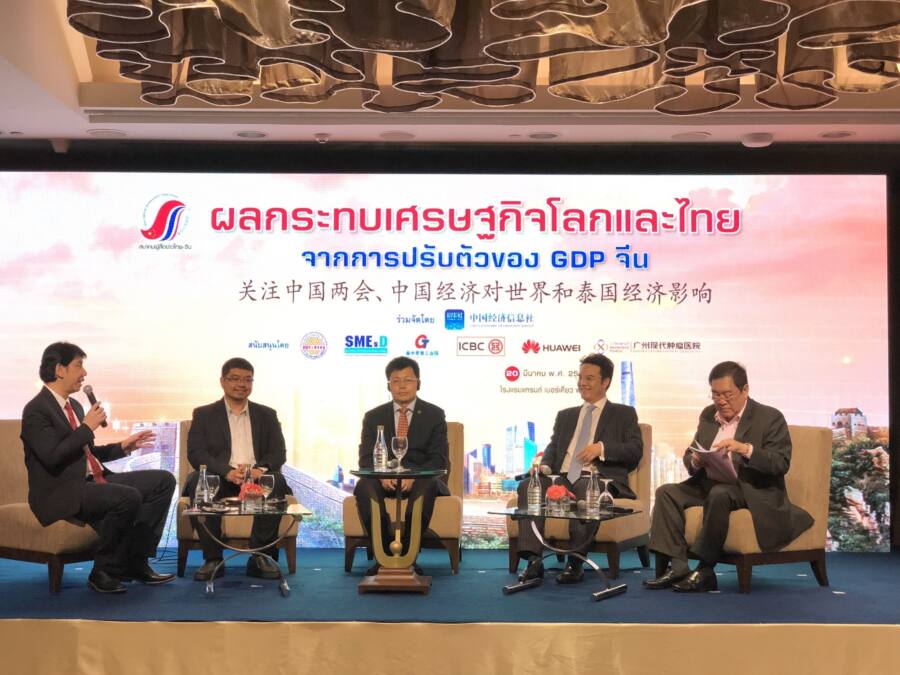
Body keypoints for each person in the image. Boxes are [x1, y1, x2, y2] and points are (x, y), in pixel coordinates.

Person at [21, 342, 176, 594]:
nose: (84, 373)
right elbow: (52, 457)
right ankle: (104, 571)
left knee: (163, 481)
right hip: (61, 490)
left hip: (92, 481)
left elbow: (86, 453)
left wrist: (122, 447)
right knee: (127, 496)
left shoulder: (74, 406)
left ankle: (135, 562)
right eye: (78, 366)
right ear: (59, 370)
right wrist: (86, 428)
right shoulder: (36, 410)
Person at [644, 361, 813, 592]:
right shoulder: (708, 415)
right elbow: (691, 452)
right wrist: (695, 460)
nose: (721, 401)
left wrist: (745, 450)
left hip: (751, 488)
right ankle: (678, 566)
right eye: (715, 394)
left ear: (745, 390)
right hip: (709, 482)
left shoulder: (769, 417)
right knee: (666, 492)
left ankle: (705, 570)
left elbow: (780, 462)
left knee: (720, 493)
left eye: (727, 394)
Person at [516, 353, 643, 584]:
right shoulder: (566, 415)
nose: (582, 383)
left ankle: (575, 562)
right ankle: (533, 561)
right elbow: (554, 447)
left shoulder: (623, 414)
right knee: (528, 485)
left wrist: (601, 448)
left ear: (606, 382)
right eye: (580, 377)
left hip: (597, 477)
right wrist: (544, 467)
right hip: (562, 477)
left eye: (590, 378)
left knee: (587, 488)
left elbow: (635, 450)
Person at [184, 357, 292, 581]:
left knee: (277, 480)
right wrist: (227, 471)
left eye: (247, 379)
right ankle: (213, 559)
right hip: (221, 477)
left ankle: (260, 557)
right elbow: (196, 453)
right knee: (198, 480)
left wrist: (259, 469)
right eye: (235, 379)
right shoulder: (204, 414)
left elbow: (278, 453)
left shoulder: (267, 415)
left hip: (256, 479)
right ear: (222, 381)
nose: (242, 384)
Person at [353, 356, 449, 575]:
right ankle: (383, 555)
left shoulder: (434, 414)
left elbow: (438, 458)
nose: (402, 386)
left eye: (408, 380)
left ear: (418, 383)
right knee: (364, 486)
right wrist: (381, 476)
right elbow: (366, 458)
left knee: (426, 484)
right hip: (384, 478)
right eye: (396, 381)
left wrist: (414, 476)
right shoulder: (373, 416)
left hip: (421, 479)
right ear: (389, 385)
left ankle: (407, 555)